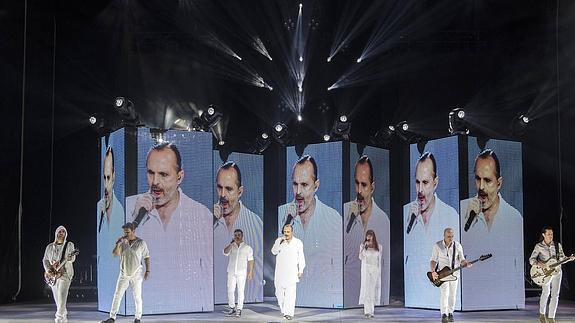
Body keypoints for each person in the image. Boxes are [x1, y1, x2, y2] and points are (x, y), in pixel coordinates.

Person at [125, 142, 213, 311]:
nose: (155, 182)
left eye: (163, 174)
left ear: (180, 176)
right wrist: (134, 219)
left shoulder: (200, 214)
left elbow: (206, 273)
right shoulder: (131, 207)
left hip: (186, 309)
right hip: (143, 308)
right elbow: (118, 257)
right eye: (151, 173)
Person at [460, 149, 524, 309]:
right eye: (477, 179)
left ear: (499, 183)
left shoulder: (514, 218)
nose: (481, 187)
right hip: (470, 297)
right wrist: (467, 221)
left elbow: (516, 267)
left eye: (487, 180)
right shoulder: (462, 210)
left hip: (502, 298)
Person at [278, 155, 341, 306]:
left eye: (304, 185)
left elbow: (339, 266)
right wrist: (287, 221)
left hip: (322, 300)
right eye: (295, 184)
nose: (298, 191)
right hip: (291, 298)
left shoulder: (333, 218)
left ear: (316, 185)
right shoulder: (281, 213)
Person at [403, 152, 459, 308]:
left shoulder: (450, 214)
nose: (420, 190)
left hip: (442, 279)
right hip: (416, 294)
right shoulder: (408, 213)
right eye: (417, 182)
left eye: (425, 183)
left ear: (435, 183)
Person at [213, 162, 263, 305]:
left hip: (247, 291)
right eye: (219, 188)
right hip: (212, 296)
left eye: (229, 189)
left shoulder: (256, 223)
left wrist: (250, 273)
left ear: (240, 191)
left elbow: (256, 261)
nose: (222, 195)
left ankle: (239, 308)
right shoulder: (206, 219)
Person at [344, 155, 390, 306]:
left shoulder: (383, 220)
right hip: (347, 295)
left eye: (364, 185)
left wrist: (383, 300)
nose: (359, 190)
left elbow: (385, 266)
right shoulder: (344, 213)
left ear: (372, 187)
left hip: (372, 283)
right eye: (356, 184)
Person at [102, 222, 150, 323]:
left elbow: (146, 257)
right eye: (124, 232)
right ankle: (112, 317)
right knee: (117, 295)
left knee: (137, 296)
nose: (125, 234)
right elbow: (115, 254)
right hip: (124, 273)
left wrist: (148, 270)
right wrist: (118, 243)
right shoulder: (123, 242)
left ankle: (137, 318)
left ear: (133, 231)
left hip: (136, 273)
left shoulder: (141, 243)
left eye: (127, 232)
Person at [97, 146, 125, 311]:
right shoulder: (99, 206)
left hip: (117, 271)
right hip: (104, 275)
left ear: (114, 176)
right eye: (104, 177)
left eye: (109, 177)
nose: (106, 183)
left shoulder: (120, 210)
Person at [529, 226, 575, 323]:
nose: (551, 236)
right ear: (543, 235)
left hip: (557, 272)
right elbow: (531, 260)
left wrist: (568, 258)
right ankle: (542, 313)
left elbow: (561, 259)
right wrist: (539, 264)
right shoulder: (539, 246)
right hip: (545, 274)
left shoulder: (557, 245)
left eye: (552, 234)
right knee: (546, 293)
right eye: (549, 234)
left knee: (555, 295)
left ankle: (551, 317)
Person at [430, 228, 469, 322]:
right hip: (443, 274)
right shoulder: (437, 245)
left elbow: (462, 259)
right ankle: (444, 313)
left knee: (452, 294)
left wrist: (465, 263)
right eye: (448, 237)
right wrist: (433, 271)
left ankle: (450, 312)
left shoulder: (458, 245)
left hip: (455, 273)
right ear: (444, 236)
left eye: (452, 236)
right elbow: (433, 260)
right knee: (445, 293)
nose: (450, 238)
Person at [271, 224, 305, 321]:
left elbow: (301, 257)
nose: (286, 234)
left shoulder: (298, 243)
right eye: (285, 232)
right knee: (279, 293)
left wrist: (300, 270)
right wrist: (279, 243)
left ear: (292, 232)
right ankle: (284, 310)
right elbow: (273, 252)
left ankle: (288, 313)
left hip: (292, 273)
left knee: (291, 294)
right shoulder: (279, 241)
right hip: (280, 272)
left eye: (288, 232)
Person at [43, 226, 77, 323]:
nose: (61, 233)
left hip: (65, 274)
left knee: (62, 297)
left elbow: (72, 259)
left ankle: (58, 319)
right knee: (58, 301)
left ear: (65, 234)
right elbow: (45, 260)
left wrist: (70, 258)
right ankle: (64, 318)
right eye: (59, 231)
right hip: (53, 275)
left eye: (63, 231)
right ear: (56, 233)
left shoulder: (69, 245)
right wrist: (48, 270)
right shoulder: (49, 247)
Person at [222, 229, 254, 318]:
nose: (237, 236)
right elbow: (225, 252)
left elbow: (251, 260)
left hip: (241, 272)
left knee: (240, 291)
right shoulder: (232, 246)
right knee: (230, 290)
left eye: (239, 235)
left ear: (242, 236)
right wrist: (231, 244)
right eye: (235, 235)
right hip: (231, 271)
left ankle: (239, 309)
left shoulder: (247, 248)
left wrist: (250, 272)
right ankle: (232, 307)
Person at [359, 230, 383, 318]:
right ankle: (366, 311)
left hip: (374, 270)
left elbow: (379, 261)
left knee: (372, 291)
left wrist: (379, 272)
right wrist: (364, 248)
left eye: (370, 236)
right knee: (366, 291)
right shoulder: (362, 246)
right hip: (366, 270)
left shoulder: (379, 247)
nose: (368, 237)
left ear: (373, 236)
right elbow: (360, 257)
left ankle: (372, 311)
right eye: (367, 236)